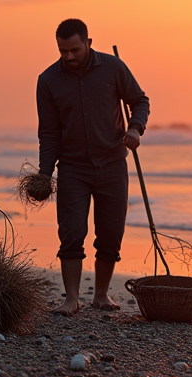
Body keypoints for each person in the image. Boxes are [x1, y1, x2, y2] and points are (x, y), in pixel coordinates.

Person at [36, 19, 150, 315]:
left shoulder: (114, 68)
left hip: (113, 164)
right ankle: (71, 299)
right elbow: (48, 132)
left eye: (74, 50)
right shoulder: (48, 80)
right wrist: (44, 174)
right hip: (73, 168)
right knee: (71, 233)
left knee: (111, 234)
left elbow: (140, 101)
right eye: (63, 51)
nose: (69, 57)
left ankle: (101, 296)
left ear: (88, 43)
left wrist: (136, 129)